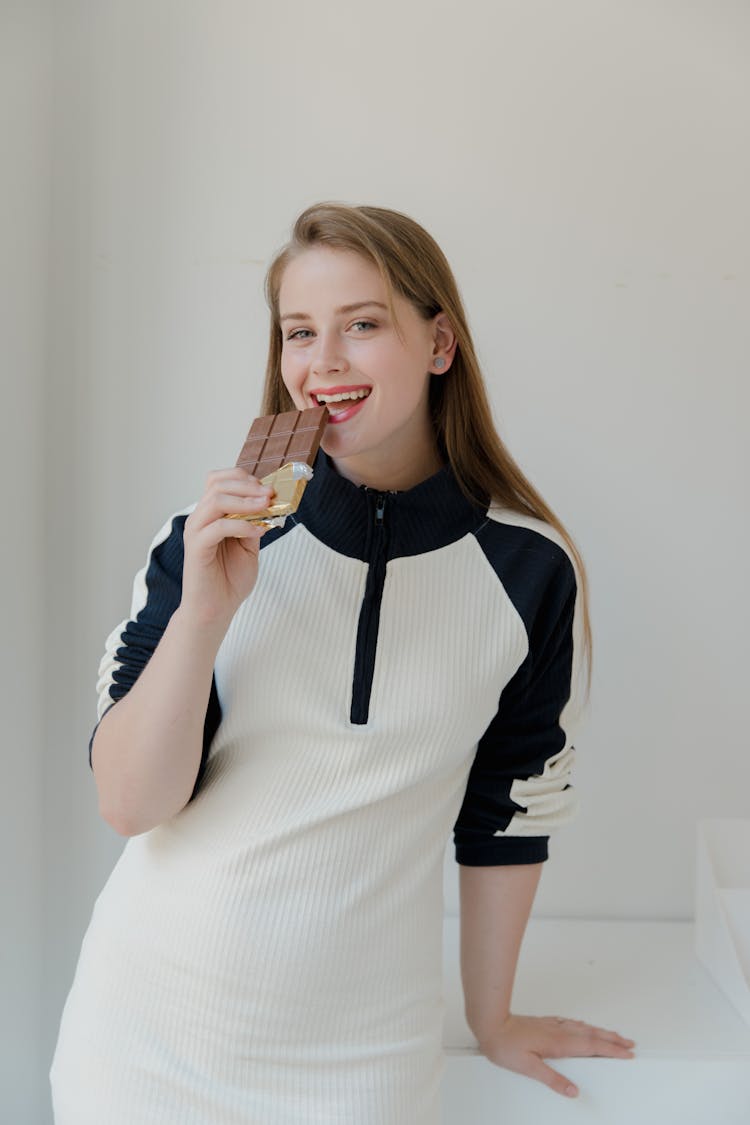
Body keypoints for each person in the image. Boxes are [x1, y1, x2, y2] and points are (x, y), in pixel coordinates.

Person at [50, 202, 634, 1123]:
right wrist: (205, 610)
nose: (321, 363)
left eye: (362, 325)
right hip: (143, 1042)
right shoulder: (198, 547)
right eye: (298, 333)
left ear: (440, 344)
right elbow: (130, 803)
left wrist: (493, 1017)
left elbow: (509, 811)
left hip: (366, 1062)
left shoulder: (527, 573)